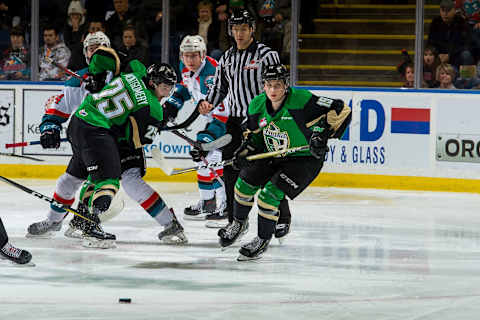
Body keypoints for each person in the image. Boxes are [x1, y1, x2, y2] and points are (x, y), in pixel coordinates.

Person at [28, 33, 187, 245]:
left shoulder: (130, 70)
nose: (95, 52)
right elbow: (58, 106)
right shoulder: (81, 80)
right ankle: (75, 222)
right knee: (94, 180)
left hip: (93, 129)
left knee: (123, 180)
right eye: (91, 48)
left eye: (100, 47)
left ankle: (165, 223)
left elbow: (105, 57)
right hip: (100, 133)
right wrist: (50, 126)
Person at [218, 64, 352, 260]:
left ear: (286, 85)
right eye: (269, 85)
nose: (273, 90)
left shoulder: (302, 100)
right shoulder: (256, 104)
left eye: (278, 85)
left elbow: (342, 108)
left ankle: (262, 239)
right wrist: (244, 152)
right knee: (242, 185)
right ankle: (239, 223)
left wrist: (321, 136)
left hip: (304, 159)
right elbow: (253, 137)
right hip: (272, 155)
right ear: (263, 85)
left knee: (268, 196)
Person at [66, 62, 186, 246]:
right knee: (113, 179)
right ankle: (90, 226)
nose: (167, 92)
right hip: (101, 131)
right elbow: (141, 141)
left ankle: (81, 220)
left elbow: (127, 61)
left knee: (97, 175)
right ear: (153, 83)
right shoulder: (153, 107)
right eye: (164, 87)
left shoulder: (137, 71)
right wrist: (158, 122)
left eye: (171, 87)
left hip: (80, 120)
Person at [198, 8, 292, 237]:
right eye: (235, 29)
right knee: (231, 170)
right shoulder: (227, 57)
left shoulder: (266, 55)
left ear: (252, 29)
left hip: (260, 121)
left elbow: (276, 88)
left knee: (266, 170)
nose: (239, 34)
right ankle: (235, 221)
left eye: (243, 29)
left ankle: (283, 216)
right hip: (235, 120)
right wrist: (207, 102)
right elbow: (220, 86)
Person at [164, 34, 228, 222]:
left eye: (194, 55)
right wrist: (171, 106)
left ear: (203, 54)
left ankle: (226, 205)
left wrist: (208, 137)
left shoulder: (211, 75)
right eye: (186, 55)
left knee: (215, 158)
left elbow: (224, 113)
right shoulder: (185, 68)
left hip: (229, 120)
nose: (190, 60)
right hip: (214, 118)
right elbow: (185, 87)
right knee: (201, 157)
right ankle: (208, 202)